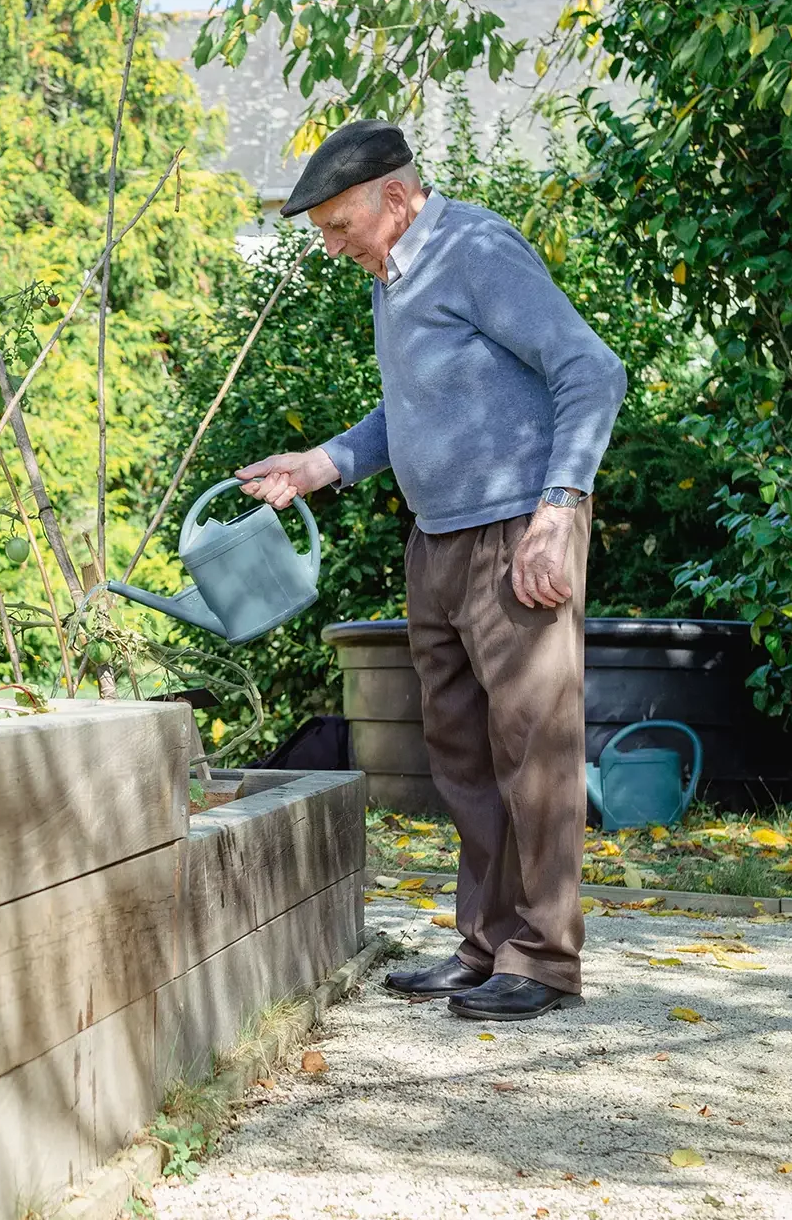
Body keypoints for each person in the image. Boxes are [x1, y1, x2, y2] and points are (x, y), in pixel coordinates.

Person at [239, 120, 626, 1022]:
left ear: (399, 201)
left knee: (535, 751)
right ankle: (487, 945)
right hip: (439, 538)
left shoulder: (477, 250)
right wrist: (318, 465)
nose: (332, 247)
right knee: (460, 754)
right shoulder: (394, 276)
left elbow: (590, 370)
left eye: (340, 225)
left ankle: (543, 957)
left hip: (516, 534)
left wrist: (556, 511)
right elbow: (411, 408)